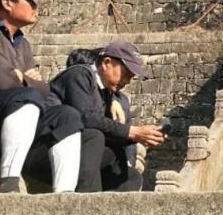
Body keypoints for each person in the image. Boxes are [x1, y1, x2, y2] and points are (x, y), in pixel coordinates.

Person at [0, 0, 84, 194]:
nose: (35, 5)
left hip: (14, 114)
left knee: (66, 116)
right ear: (7, 2)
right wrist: (27, 80)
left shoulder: (22, 44)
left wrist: (22, 77)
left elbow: (45, 90)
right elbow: (3, 80)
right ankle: (9, 180)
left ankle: (64, 195)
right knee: (27, 97)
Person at [49, 40, 165, 192]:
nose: (127, 81)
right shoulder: (79, 74)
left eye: (131, 77)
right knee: (94, 136)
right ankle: (88, 200)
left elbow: (108, 130)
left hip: (84, 151)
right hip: (51, 146)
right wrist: (132, 131)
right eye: (125, 74)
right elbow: (87, 118)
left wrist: (141, 137)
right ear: (106, 63)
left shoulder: (107, 92)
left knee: (130, 176)